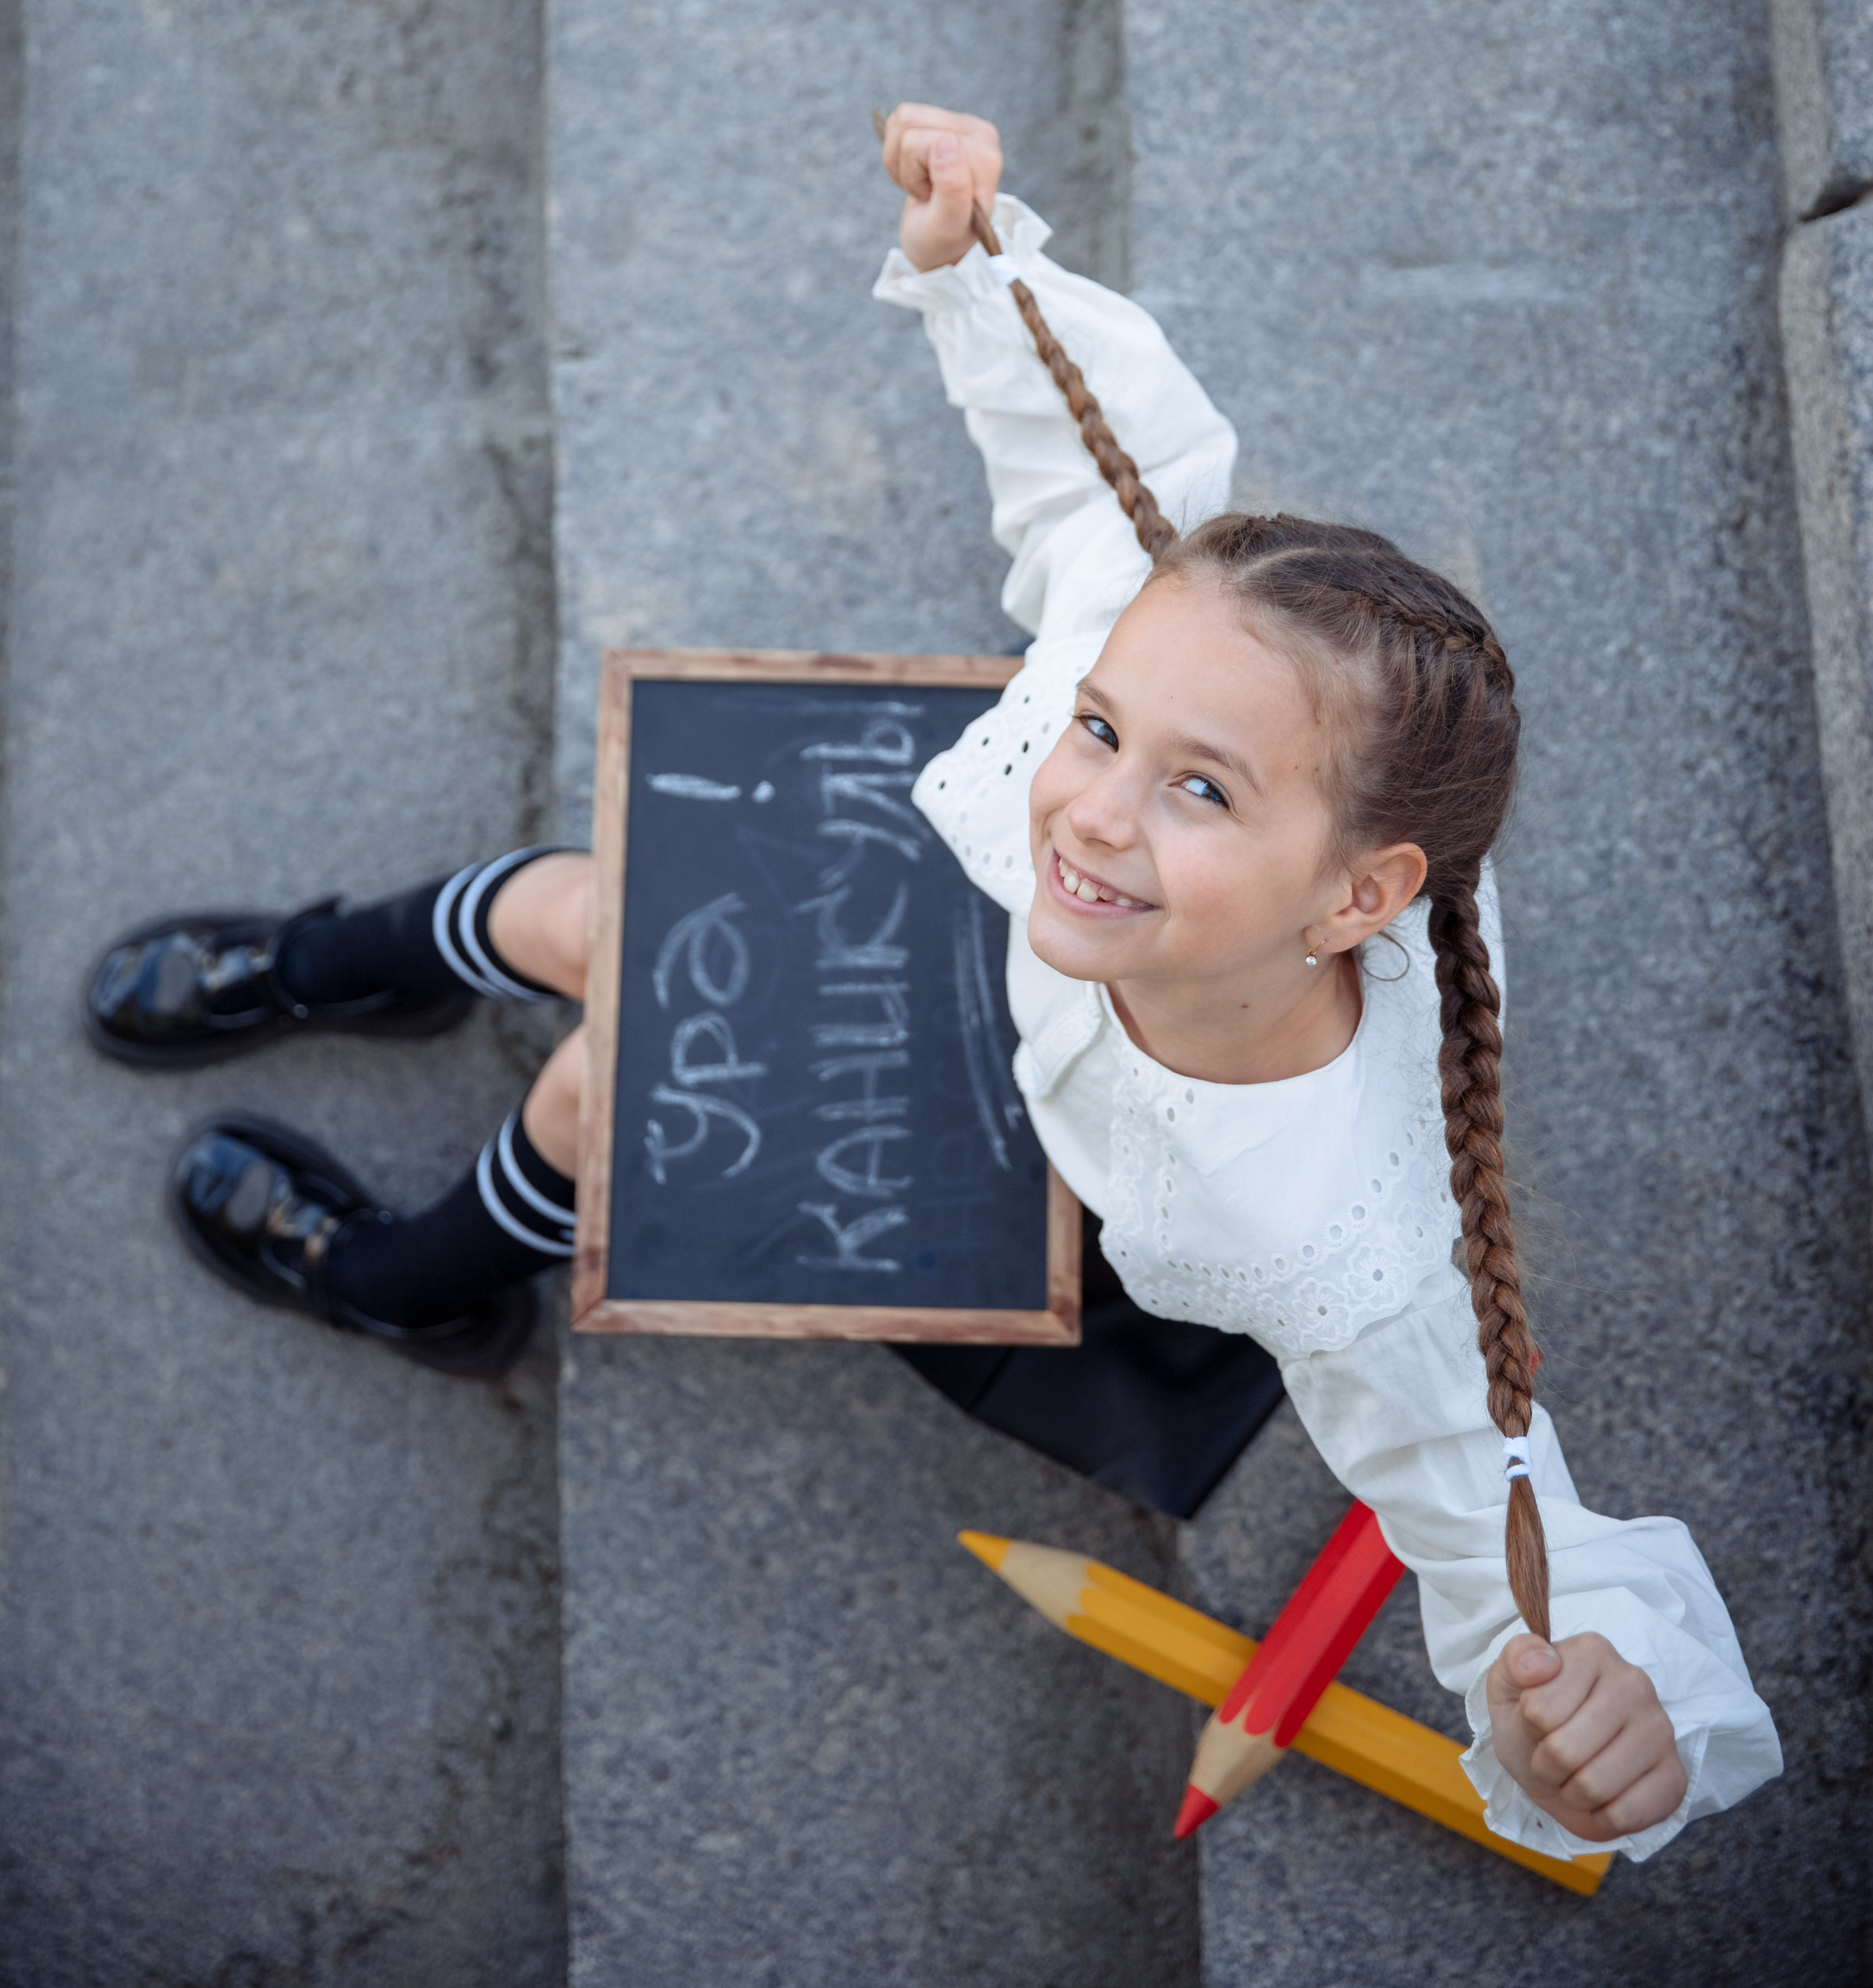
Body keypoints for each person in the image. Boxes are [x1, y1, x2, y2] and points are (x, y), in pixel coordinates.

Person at [81, 102, 1778, 1862]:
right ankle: (368, 966)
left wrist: (1603, 1703)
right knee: (583, 912)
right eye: (1108, 727)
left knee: (607, 1087)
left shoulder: (1343, 1230)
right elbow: (1100, 482)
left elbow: (1483, 1495)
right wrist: (976, 264)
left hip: (1070, 1205)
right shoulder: (1115, 779)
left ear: (1360, 895)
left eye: (1199, 787)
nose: (1093, 806)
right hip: (1039, 978)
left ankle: (413, 1282)